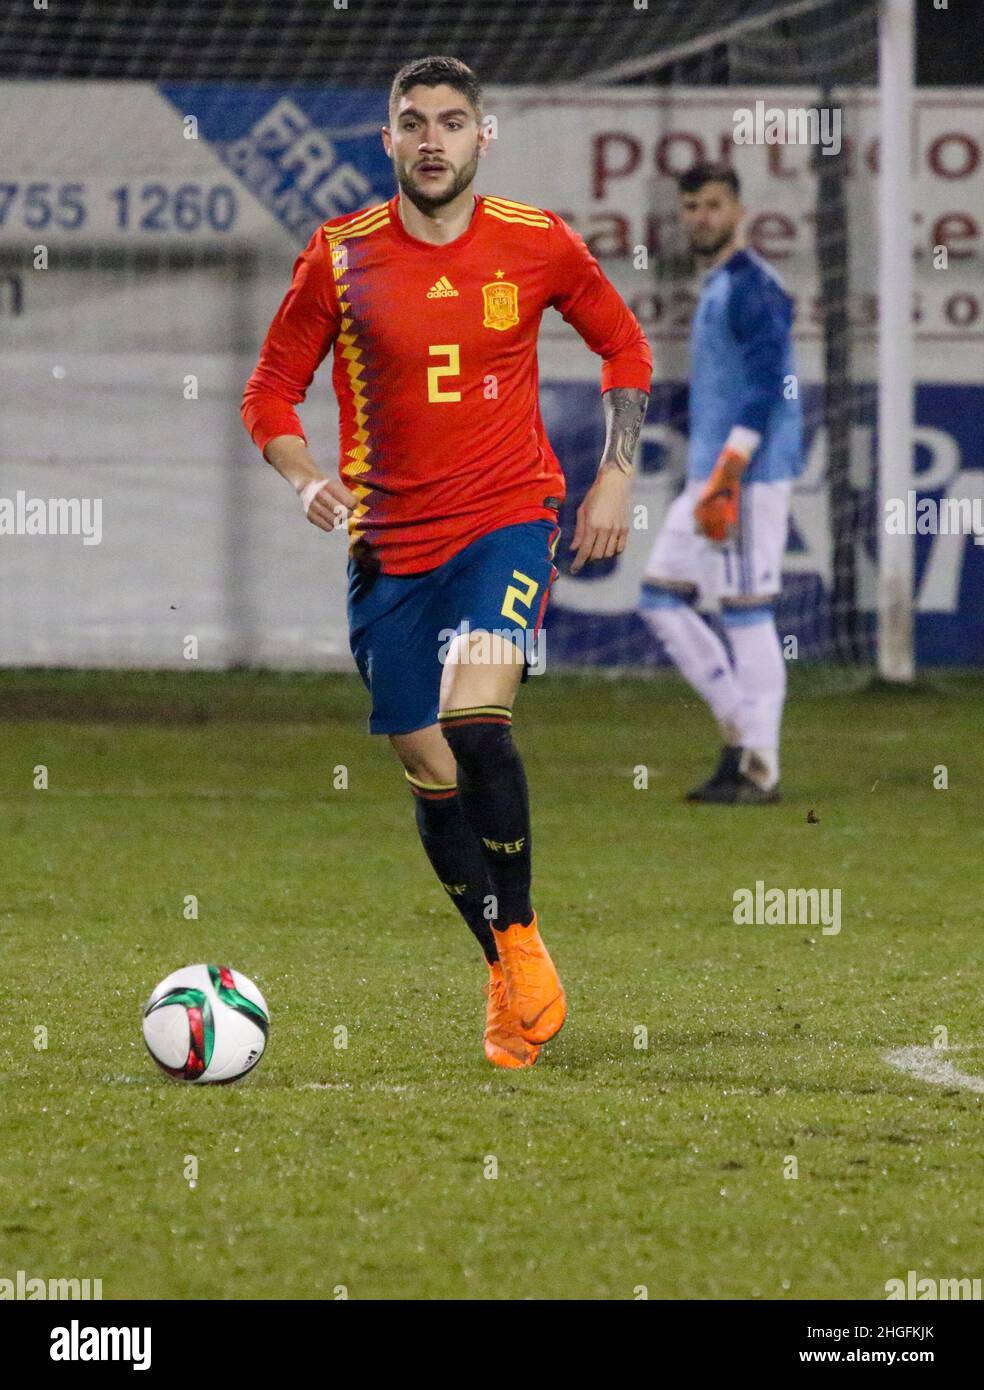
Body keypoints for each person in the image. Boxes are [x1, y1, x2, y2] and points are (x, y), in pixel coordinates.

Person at [242, 55, 652, 1066]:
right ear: (388, 141)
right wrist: (303, 480)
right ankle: (502, 964)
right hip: (387, 544)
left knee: (476, 719)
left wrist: (616, 475)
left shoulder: (538, 242)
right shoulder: (338, 257)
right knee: (428, 764)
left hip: (509, 516)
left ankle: (517, 931)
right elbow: (269, 394)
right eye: (414, 122)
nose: (433, 139)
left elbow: (626, 349)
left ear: (483, 137)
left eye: (453, 121)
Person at [638, 163, 803, 804]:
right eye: (691, 207)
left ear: (738, 209)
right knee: (660, 599)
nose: (700, 217)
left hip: (746, 477)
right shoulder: (720, 284)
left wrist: (729, 476)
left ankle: (760, 767)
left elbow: (766, 389)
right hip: (715, 475)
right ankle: (742, 736)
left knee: (746, 613)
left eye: (712, 205)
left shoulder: (753, 287)